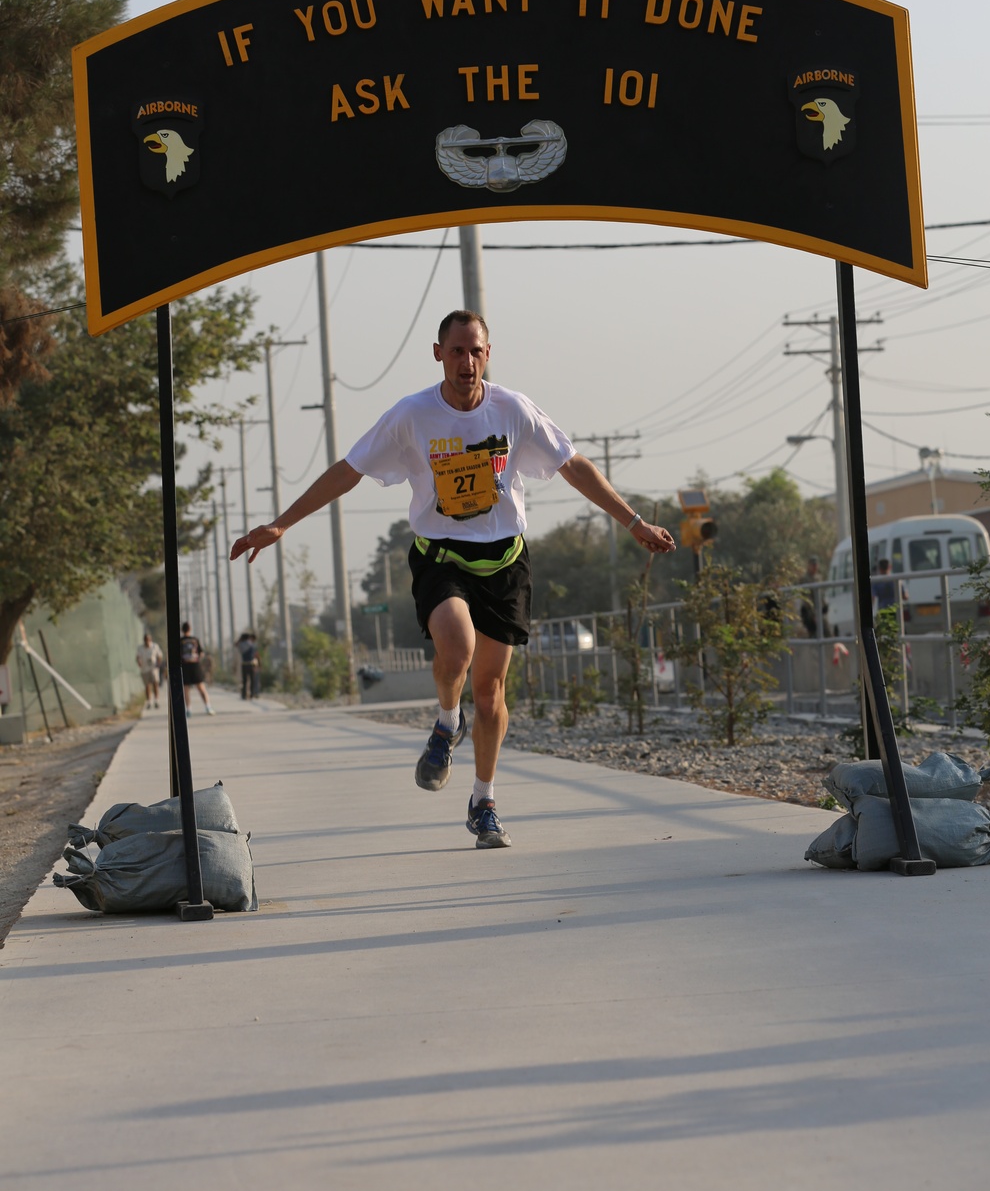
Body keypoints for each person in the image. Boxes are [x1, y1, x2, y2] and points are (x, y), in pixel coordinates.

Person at [230, 310, 676, 849]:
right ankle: (446, 721)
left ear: (489, 354)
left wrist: (633, 522)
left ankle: (483, 800)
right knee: (457, 645)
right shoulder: (412, 415)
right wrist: (281, 523)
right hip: (441, 556)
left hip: (506, 561)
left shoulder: (513, 408)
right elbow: (349, 470)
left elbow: (572, 464)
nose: (468, 362)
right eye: (458, 351)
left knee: (490, 695)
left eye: (477, 351)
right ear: (438, 353)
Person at [180, 621, 215, 716]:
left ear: (182, 630)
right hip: (195, 665)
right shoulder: (195, 640)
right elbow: (201, 653)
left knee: (186, 689)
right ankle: (208, 706)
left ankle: (188, 709)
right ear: (190, 629)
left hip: (185, 666)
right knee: (201, 687)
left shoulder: (180, 641)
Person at [799, 556, 828, 639]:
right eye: (813, 565)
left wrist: (824, 606)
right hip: (809, 612)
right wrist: (813, 615)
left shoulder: (818, 577)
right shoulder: (805, 579)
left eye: (816, 565)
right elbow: (807, 598)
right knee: (813, 634)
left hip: (820, 609)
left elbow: (821, 595)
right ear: (809, 566)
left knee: (826, 632)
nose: (815, 567)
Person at [136, 632, 164, 709]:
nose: (147, 641)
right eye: (146, 640)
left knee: (155, 684)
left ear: (150, 640)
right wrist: (139, 662)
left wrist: (158, 664)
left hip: (153, 669)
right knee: (147, 686)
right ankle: (149, 701)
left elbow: (160, 656)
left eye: (148, 640)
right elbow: (138, 657)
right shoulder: (140, 648)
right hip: (145, 669)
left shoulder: (155, 646)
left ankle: (156, 700)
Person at [236, 631, 261, 699]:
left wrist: (240, 639)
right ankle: (252, 694)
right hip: (252, 664)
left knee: (244, 680)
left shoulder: (241, 645)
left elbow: (236, 644)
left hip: (244, 664)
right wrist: (259, 664)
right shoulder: (252, 644)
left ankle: (244, 695)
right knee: (252, 680)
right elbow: (256, 654)